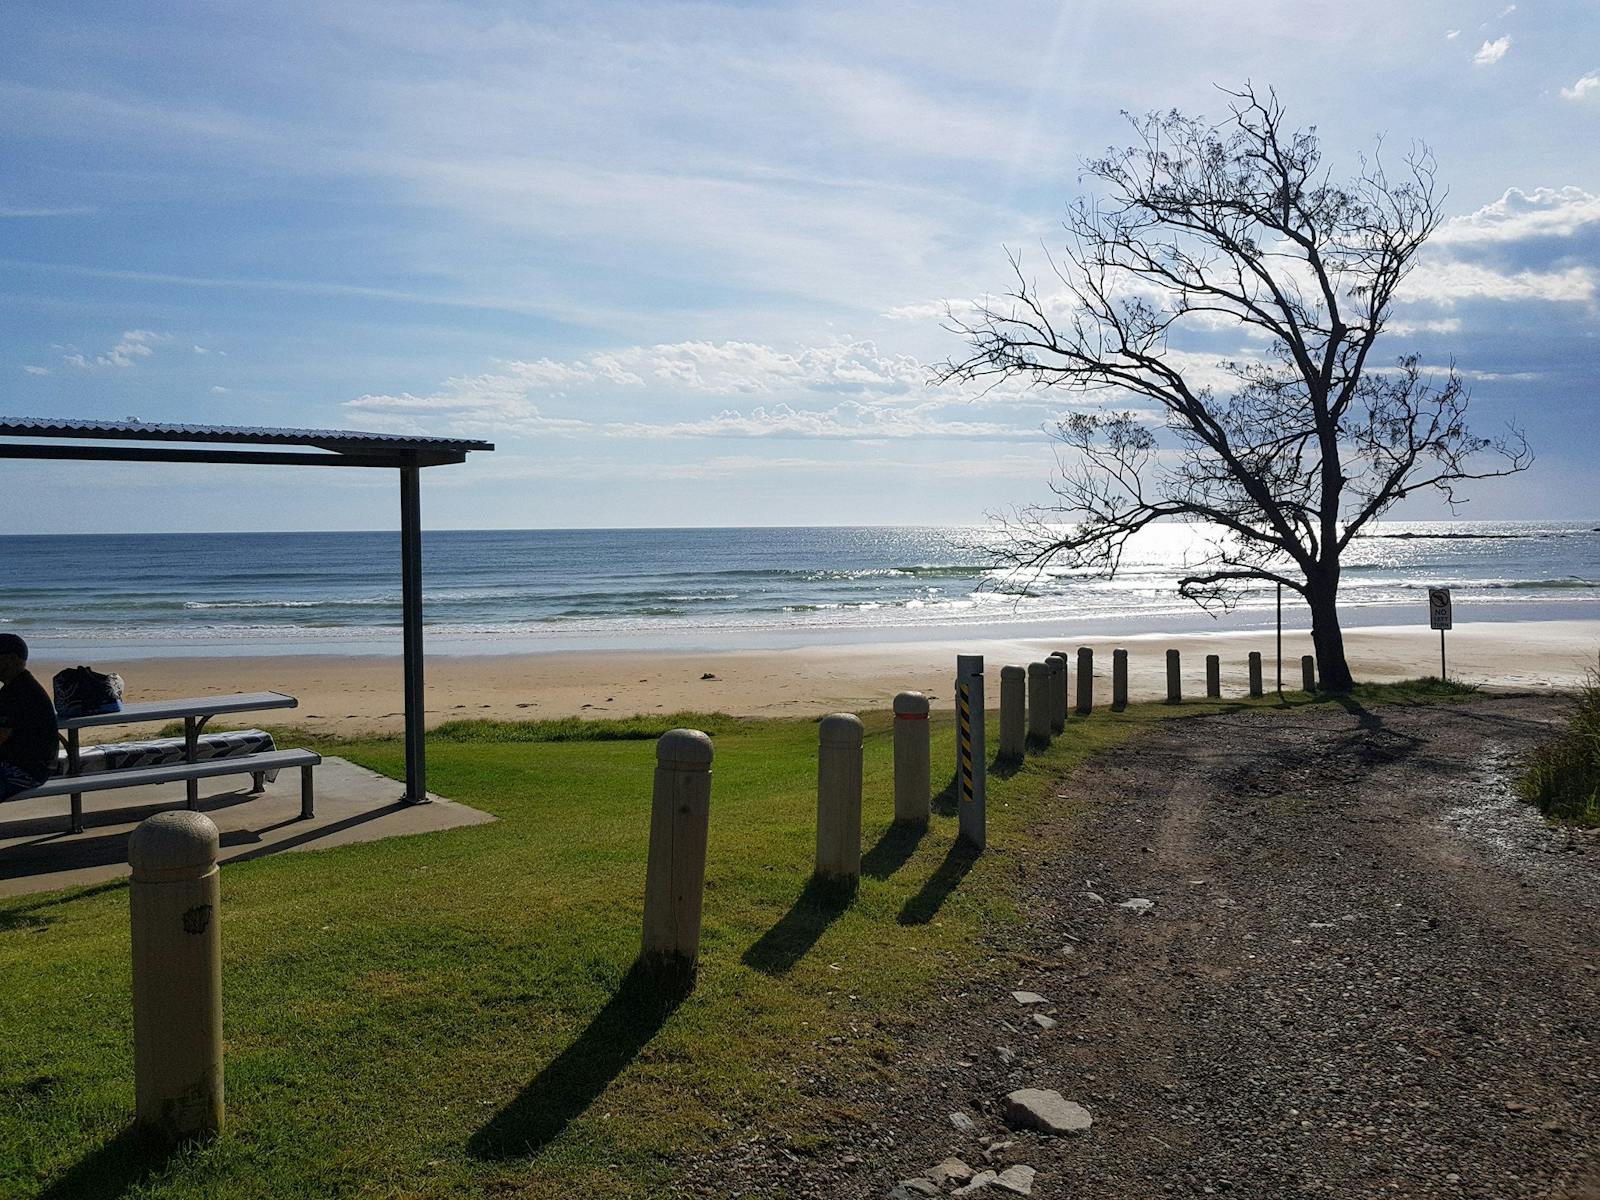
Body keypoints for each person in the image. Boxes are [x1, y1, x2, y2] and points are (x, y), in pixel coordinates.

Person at [0, 634, 59, 801]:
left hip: (27, 770)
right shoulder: (13, 688)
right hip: (19, 765)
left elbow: (2, 734)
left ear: (11, 659)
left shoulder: (23, 692)